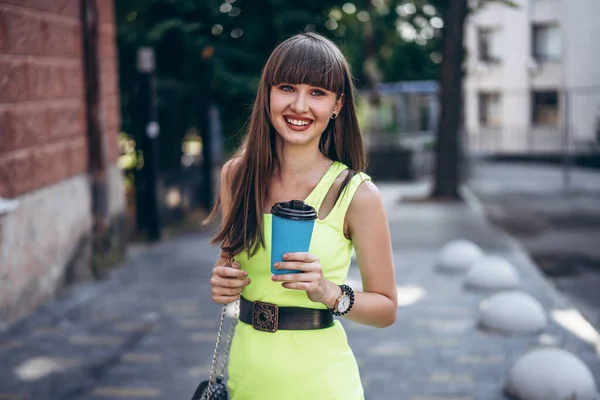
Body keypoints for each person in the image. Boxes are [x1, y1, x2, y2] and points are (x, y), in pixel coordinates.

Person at [205, 32, 397, 400]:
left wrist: (328, 292)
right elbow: (231, 265)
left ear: (337, 105)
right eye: (287, 87)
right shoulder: (236, 177)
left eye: (317, 93)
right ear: (268, 94)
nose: (299, 105)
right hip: (246, 380)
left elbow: (386, 309)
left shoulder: (357, 193)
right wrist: (222, 282)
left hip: (323, 385)